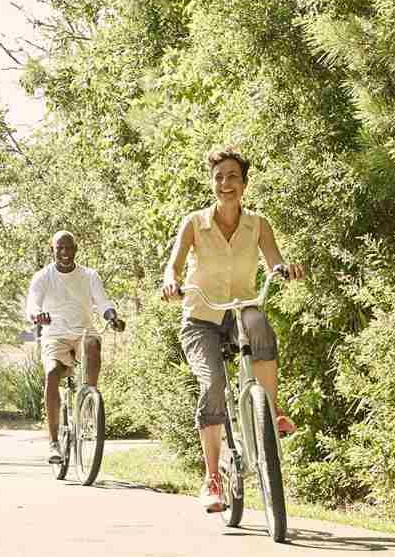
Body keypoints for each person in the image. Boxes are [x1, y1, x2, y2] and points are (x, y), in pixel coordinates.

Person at [160, 147, 305, 513]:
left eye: (233, 177)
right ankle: (212, 477)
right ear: (212, 183)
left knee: (259, 324)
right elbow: (173, 265)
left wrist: (285, 270)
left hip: (240, 308)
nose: (226, 183)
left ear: (244, 183)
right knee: (213, 384)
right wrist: (171, 282)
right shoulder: (194, 223)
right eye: (219, 177)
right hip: (201, 317)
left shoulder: (258, 224)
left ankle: (269, 411)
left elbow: (274, 261)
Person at [26, 230, 125, 464]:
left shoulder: (89, 275)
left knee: (93, 343)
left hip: (83, 332)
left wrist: (112, 317)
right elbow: (32, 304)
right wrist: (38, 315)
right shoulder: (43, 277)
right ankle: (53, 443)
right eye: (60, 248)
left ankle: (88, 401)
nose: (65, 252)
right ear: (52, 250)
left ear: (76, 249)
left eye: (69, 248)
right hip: (55, 335)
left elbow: (103, 302)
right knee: (52, 373)